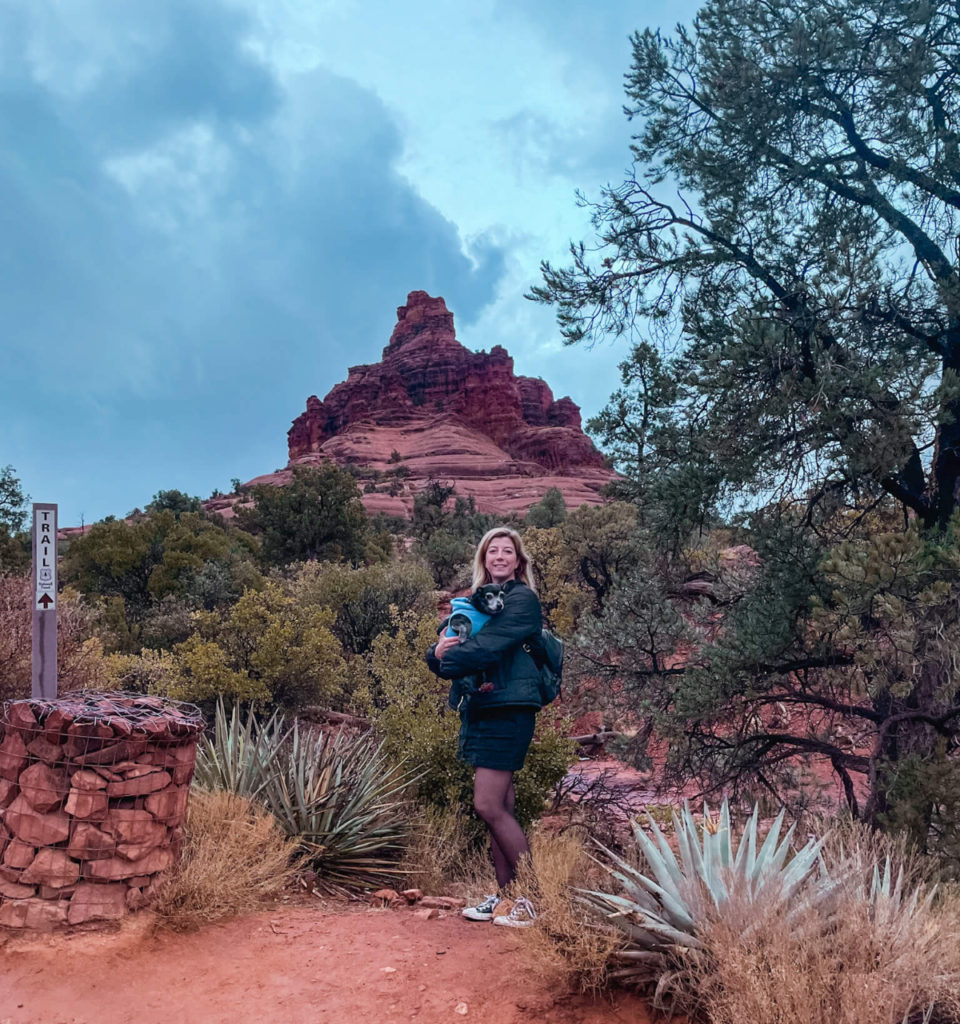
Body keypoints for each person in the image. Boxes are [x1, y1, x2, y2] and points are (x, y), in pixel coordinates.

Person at [426, 526, 545, 929]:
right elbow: (447, 640)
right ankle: (506, 897)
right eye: (492, 551)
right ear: (484, 559)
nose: (499, 557)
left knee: (488, 805)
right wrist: (436, 652)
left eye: (506, 551)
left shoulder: (522, 600)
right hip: (483, 706)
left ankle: (534, 898)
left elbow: (486, 646)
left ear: (518, 560)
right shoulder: (474, 601)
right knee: (502, 806)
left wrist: (447, 661)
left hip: (508, 707)